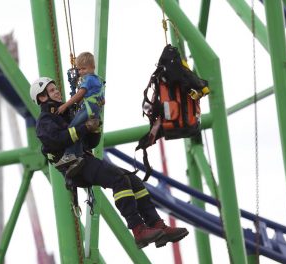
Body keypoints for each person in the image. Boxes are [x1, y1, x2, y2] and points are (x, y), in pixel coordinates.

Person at [30, 76, 189, 249]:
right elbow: (59, 140)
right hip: (74, 168)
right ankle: (138, 230)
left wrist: (94, 126)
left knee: (133, 181)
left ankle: (157, 226)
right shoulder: (45, 122)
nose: (57, 91)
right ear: (42, 97)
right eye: (52, 90)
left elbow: (90, 143)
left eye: (55, 88)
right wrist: (83, 127)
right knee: (118, 178)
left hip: (82, 162)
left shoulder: (66, 116)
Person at [54, 52, 105, 177]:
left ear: (92, 67)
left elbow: (80, 94)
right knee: (78, 132)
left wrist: (65, 105)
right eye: (79, 69)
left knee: (72, 129)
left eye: (84, 68)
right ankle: (78, 156)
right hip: (94, 109)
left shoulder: (89, 80)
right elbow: (102, 99)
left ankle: (70, 155)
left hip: (88, 108)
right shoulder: (98, 80)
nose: (81, 72)